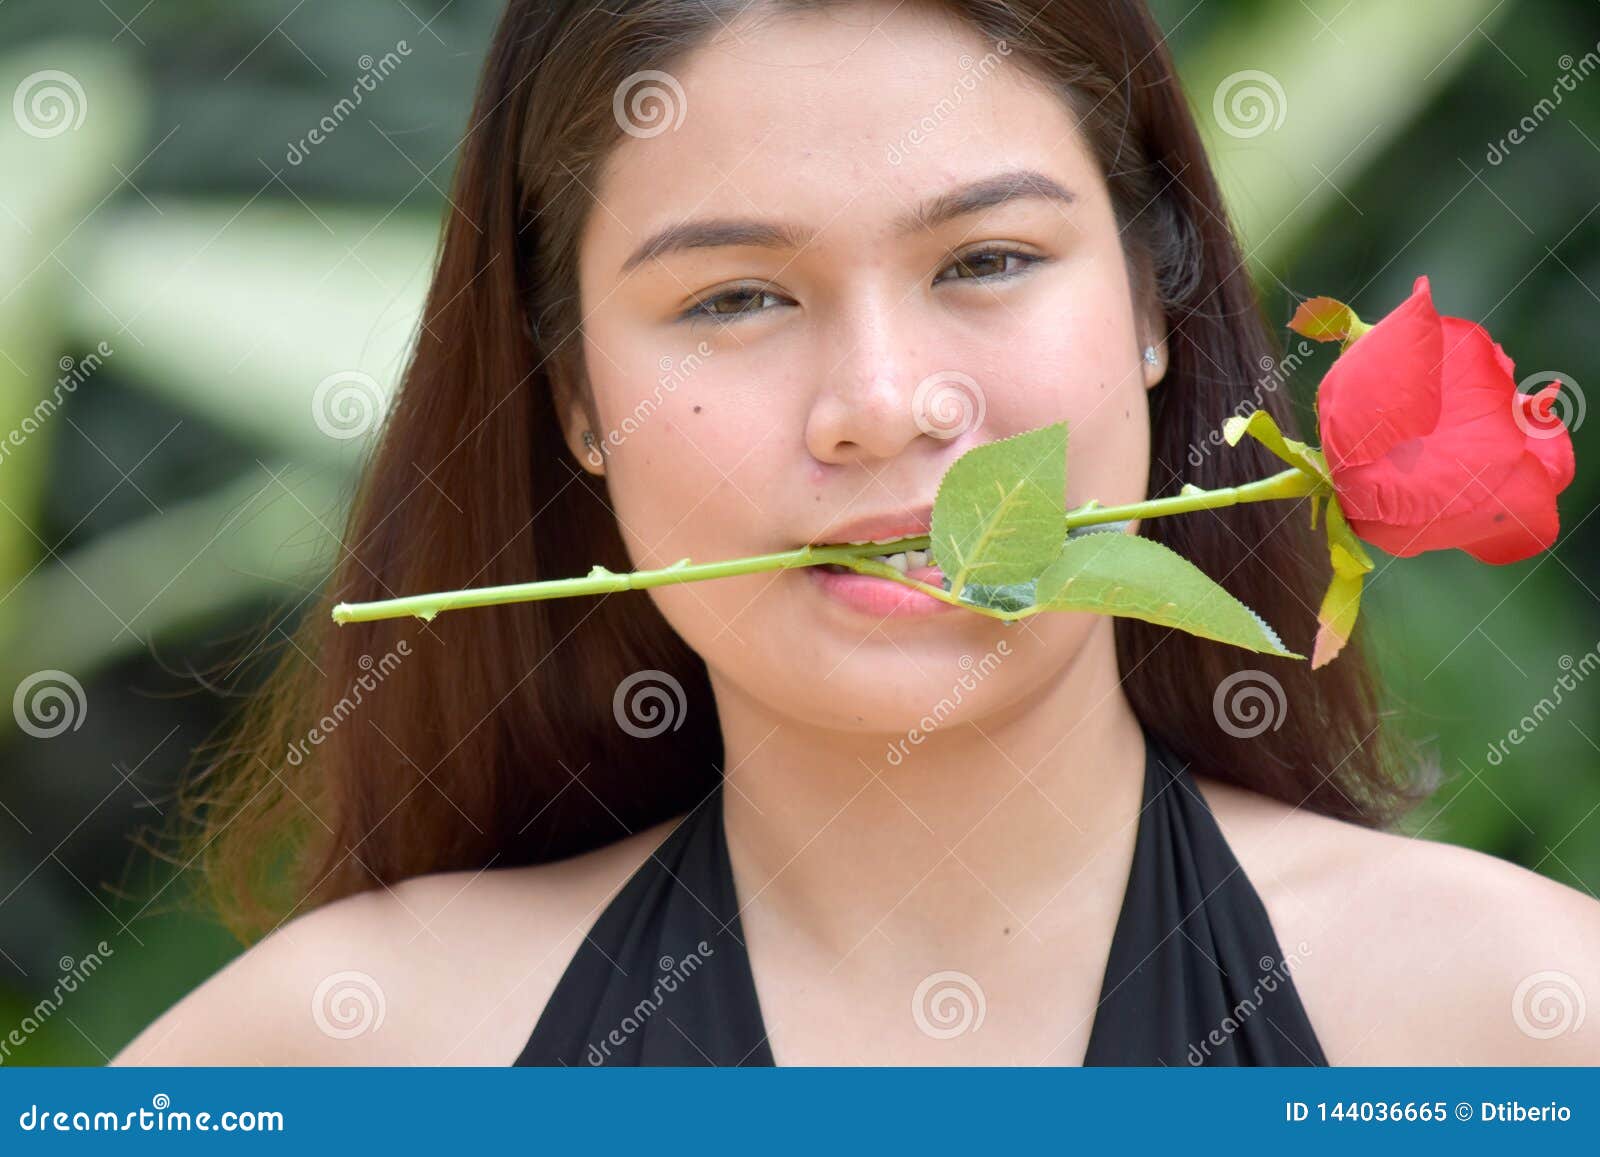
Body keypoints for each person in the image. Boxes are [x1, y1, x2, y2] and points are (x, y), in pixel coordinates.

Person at [114, 0, 1600, 1066]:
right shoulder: (345, 1055)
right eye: (735, 297)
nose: (884, 407)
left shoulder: (1521, 1027)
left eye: (989, 258)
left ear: (1157, 307)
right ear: (575, 397)